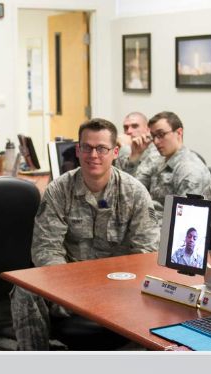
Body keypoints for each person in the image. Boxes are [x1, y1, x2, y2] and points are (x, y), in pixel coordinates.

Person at [10, 118, 156, 350]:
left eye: (102, 148)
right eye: (86, 147)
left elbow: (146, 253)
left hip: (118, 287)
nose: (93, 155)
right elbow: (46, 249)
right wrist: (72, 291)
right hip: (68, 284)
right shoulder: (59, 189)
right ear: (78, 150)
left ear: (115, 152)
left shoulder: (134, 193)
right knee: (24, 290)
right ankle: (34, 363)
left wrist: (114, 289)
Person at [143, 111, 211, 247]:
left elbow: (185, 223)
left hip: (168, 240)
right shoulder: (162, 161)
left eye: (161, 135)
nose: (156, 142)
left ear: (179, 133)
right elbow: (137, 188)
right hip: (152, 228)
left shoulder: (189, 170)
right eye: (153, 136)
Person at [115, 111, 157, 184]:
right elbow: (118, 183)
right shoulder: (122, 150)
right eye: (126, 127)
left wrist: (126, 148)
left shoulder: (157, 151)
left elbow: (137, 184)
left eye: (135, 126)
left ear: (148, 129)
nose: (129, 131)